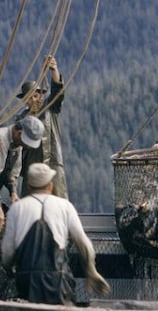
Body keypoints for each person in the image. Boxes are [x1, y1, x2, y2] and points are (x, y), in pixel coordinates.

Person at [1, 163, 110, 304]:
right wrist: (91, 271)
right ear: (50, 185)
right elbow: (84, 245)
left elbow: (7, 253)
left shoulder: (17, 209)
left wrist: (12, 269)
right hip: (58, 281)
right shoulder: (65, 206)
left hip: (27, 282)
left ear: (28, 186)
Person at [16, 55, 68, 199]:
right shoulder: (21, 118)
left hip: (53, 164)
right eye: (31, 96)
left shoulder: (50, 108)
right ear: (25, 100)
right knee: (31, 204)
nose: (35, 99)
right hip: (31, 170)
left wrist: (54, 69)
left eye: (38, 95)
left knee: (58, 203)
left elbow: (58, 92)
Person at [0, 116, 45, 219]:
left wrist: (13, 192)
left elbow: (12, 173)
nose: (26, 147)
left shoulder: (16, 144)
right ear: (19, 133)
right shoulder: (1, 140)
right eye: (25, 143)